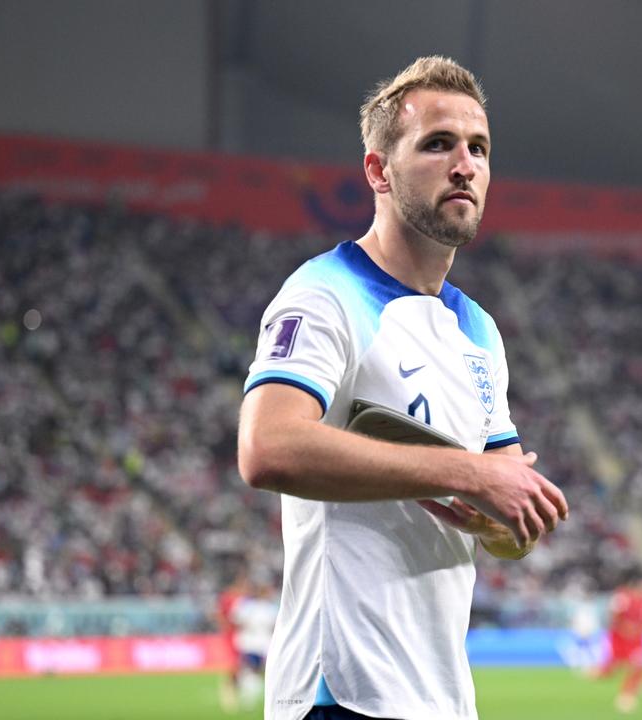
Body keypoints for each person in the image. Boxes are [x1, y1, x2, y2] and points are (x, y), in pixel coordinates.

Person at [237, 55, 569, 720]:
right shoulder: (325, 295)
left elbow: (499, 513)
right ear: (378, 171)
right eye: (438, 144)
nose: (465, 164)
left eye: (479, 148)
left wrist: (512, 518)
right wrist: (469, 474)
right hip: (342, 694)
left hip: (442, 697)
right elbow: (266, 447)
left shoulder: (477, 328)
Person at [595, 571, 642, 713]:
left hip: (637, 638)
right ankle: (625, 695)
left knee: (641, 664)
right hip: (622, 637)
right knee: (616, 666)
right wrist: (624, 627)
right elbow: (614, 616)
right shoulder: (621, 596)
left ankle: (627, 695)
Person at [217, 576, 252, 713]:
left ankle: (238, 690)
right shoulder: (228, 597)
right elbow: (221, 615)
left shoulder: (246, 599)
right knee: (235, 665)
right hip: (233, 636)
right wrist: (227, 627)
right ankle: (228, 690)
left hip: (246, 637)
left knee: (244, 665)